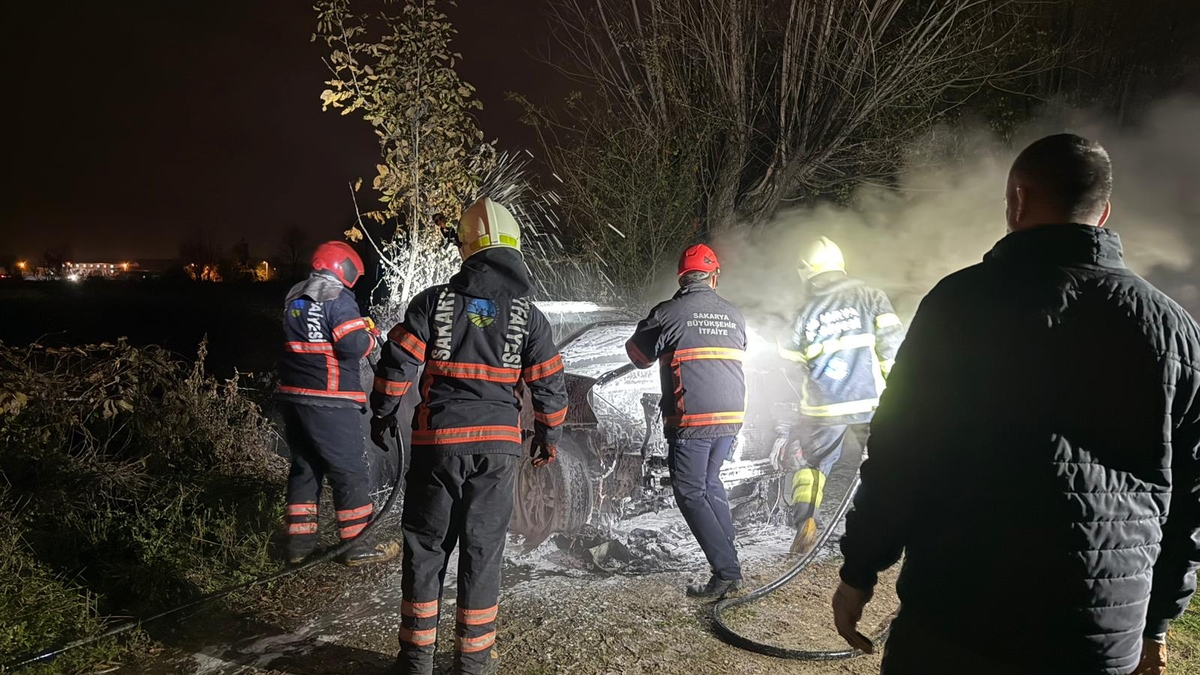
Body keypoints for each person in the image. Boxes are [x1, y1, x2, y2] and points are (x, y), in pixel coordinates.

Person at [832, 133, 1200, 675]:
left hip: (959, 618)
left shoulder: (959, 304)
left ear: (1017, 201)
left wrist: (860, 570)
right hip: (1096, 636)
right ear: (1104, 213)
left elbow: (899, 453)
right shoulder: (1174, 330)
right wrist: (1158, 622)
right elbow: (1189, 495)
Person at [371, 197, 568, 675]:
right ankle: (474, 663)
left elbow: (397, 363)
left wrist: (382, 413)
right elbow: (551, 385)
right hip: (498, 451)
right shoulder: (528, 316)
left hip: (437, 446)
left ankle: (415, 661)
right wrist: (548, 436)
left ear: (467, 247)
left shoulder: (433, 302)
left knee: (426, 548)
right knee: (483, 551)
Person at [625, 244, 748, 598]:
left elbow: (638, 357)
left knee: (689, 492)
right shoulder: (734, 314)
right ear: (714, 277)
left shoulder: (667, 312)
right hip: (732, 417)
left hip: (693, 419)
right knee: (710, 483)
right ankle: (729, 559)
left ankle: (726, 570)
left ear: (681, 277)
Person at [774, 236, 904, 556]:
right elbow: (893, 347)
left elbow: (787, 356)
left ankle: (807, 521)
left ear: (806, 271)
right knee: (883, 463)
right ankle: (889, 528)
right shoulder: (871, 296)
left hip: (824, 405)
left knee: (811, 464)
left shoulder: (804, 309)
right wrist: (899, 389)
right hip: (870, 402)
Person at [278, 240, 399, 566]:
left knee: (306, 469)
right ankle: (357, 546)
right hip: (329, 401)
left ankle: (299, 546)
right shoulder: (338, 297)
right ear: (342, 269)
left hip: (294, 398)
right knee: (350, 471)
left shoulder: (295, 297)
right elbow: (349, 345)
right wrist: (370, 336)